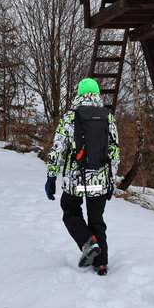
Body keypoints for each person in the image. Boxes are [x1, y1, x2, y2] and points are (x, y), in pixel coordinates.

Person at [45, 77, 120, 275]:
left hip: (76, 181)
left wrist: (51, 177)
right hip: (100, 180)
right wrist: (111, 180)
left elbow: (57, 149)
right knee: (97, 219)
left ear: (78, 94)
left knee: (70, 211)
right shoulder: (108, 117)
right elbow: (114, 152)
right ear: (97, 94)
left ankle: (89, 243)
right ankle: (101, 263)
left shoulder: (70, 117)